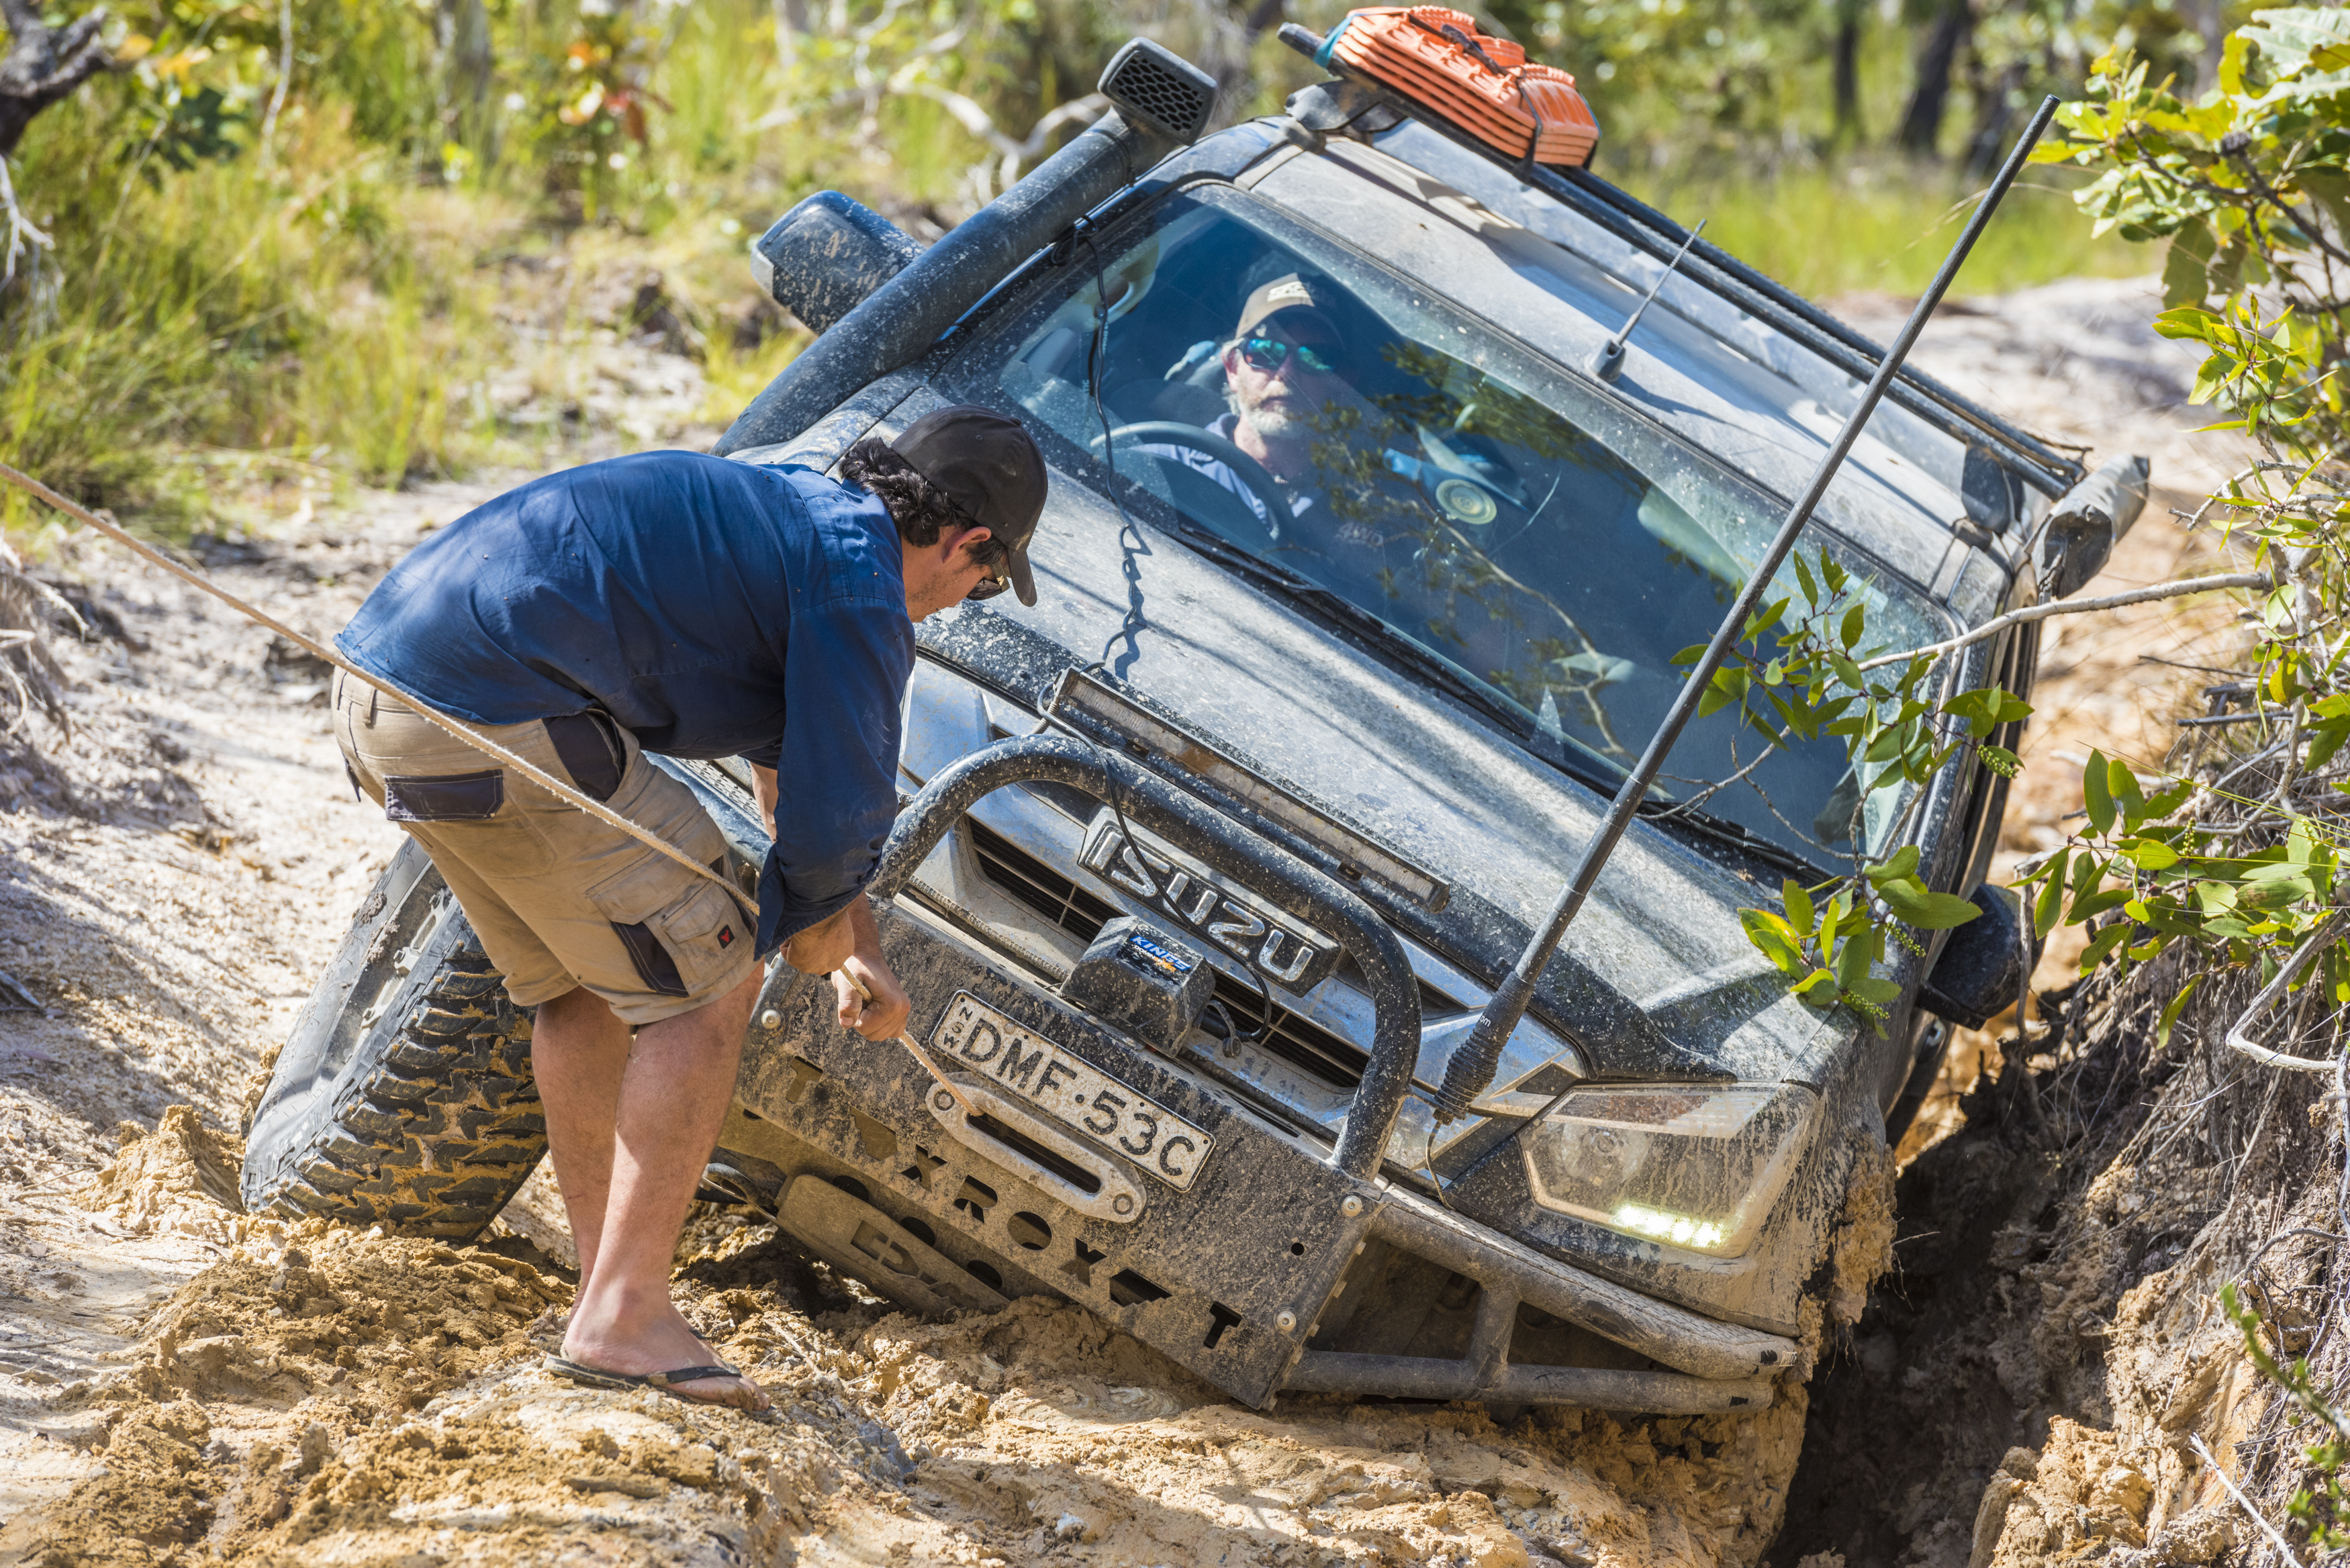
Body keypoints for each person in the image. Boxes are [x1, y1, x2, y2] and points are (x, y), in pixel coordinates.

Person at [330, 406, 1048, 1410]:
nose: (965, 600)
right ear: (968, 543)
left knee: (582, 991)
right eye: (983, 581)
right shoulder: (863, 588)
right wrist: (815, 937)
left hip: (382, 697)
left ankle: (607, 1294)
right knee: (713, 985)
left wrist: (856, 942)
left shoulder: (801, 515)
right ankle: (625, 1317)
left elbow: (794, 779)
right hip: (490, 711)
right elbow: (839, 823)